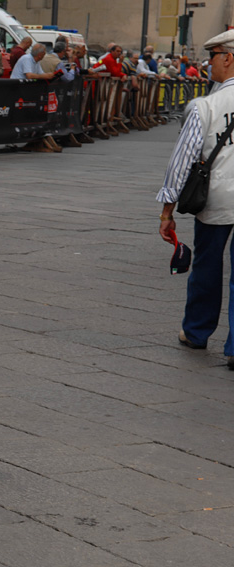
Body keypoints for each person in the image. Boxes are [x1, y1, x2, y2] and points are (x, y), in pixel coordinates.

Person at [158, 29, 234, 370]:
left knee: (207, 263)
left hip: (217, 199)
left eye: (213, 56)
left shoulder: (205, 106)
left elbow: (182, 160)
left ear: (228, 58)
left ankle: (197, 330)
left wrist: (167, 210)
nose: (208, 63)